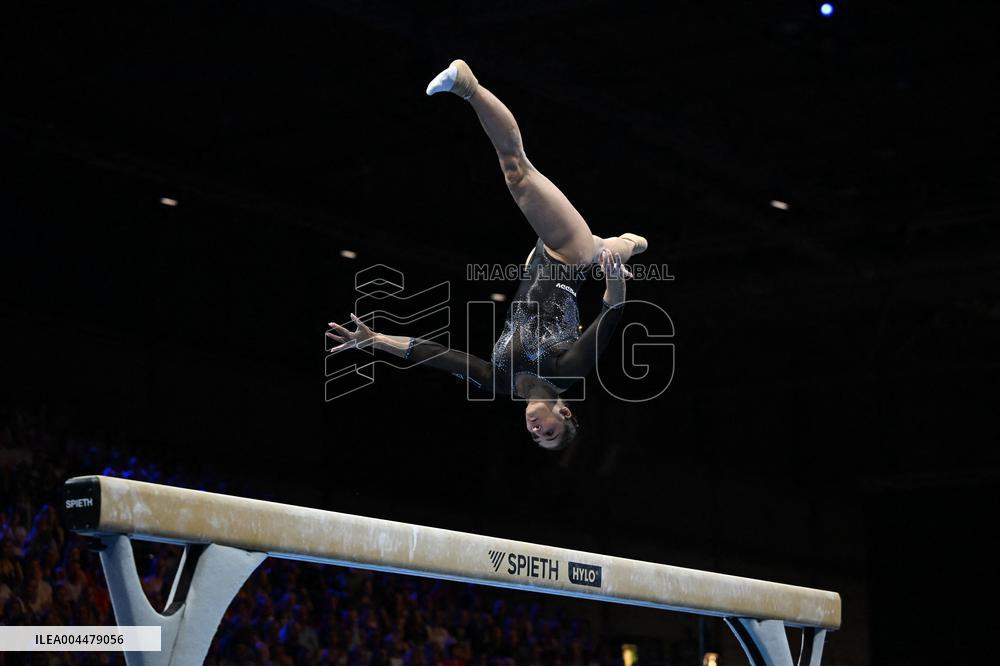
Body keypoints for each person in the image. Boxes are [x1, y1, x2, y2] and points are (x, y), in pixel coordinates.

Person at [327, 60, 648, 450]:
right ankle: (467, 84)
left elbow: (439, 356)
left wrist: (375, 339)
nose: (536, 429)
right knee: (517, 172)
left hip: (542, 259)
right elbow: (611, 314)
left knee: (610, 244)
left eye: (536, 438)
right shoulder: (567, 373)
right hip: (568, 255)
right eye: (549, 432)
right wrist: (613, 277)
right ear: (564, 412)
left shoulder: (498, 380)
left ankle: (630, 243)